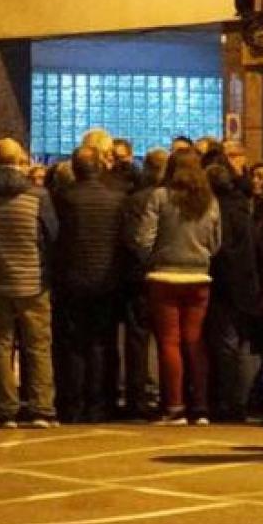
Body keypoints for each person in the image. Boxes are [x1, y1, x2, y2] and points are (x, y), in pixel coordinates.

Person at [0, 138, 60, 428]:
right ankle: (41, 408)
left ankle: (5, 410)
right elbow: (52, 236)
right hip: (33, 280)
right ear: (21, 160)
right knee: (38, 346)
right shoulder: (38, 196)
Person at [135, 151, 222, 425]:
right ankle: (201, 406)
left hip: (164, 277)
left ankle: (174, 405)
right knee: (194, 341)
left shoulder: (160, 197)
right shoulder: (209, 200)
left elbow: (143, 238)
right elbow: (216, 242)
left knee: (169, 342)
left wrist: (153, 258)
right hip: (198, 277)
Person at [52, 145, 128, 424]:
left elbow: (56, 239)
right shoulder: (119, 196)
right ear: (100, 166)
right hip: (107, 279)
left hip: (72, 279)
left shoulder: (63, 197)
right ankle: (99, 404)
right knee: (102, 343)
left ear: (74, 168)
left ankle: (72, 404)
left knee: (72, 344)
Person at [115, 148, 169, 419]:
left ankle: (138, 398)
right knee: (168, 339)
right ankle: (167, 398)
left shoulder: (135, 199)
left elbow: (133, 239)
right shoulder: (181, 199)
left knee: (138, 339)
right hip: (171, 275)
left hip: (140, 276)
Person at [205, 162, 260, 423]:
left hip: (225, 284)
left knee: (227, 344)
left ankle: (229, 402)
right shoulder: (245, 208)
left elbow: (220, 250)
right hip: (248, 283)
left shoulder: (218, 211)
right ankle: (242, 400)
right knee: (244, 345)